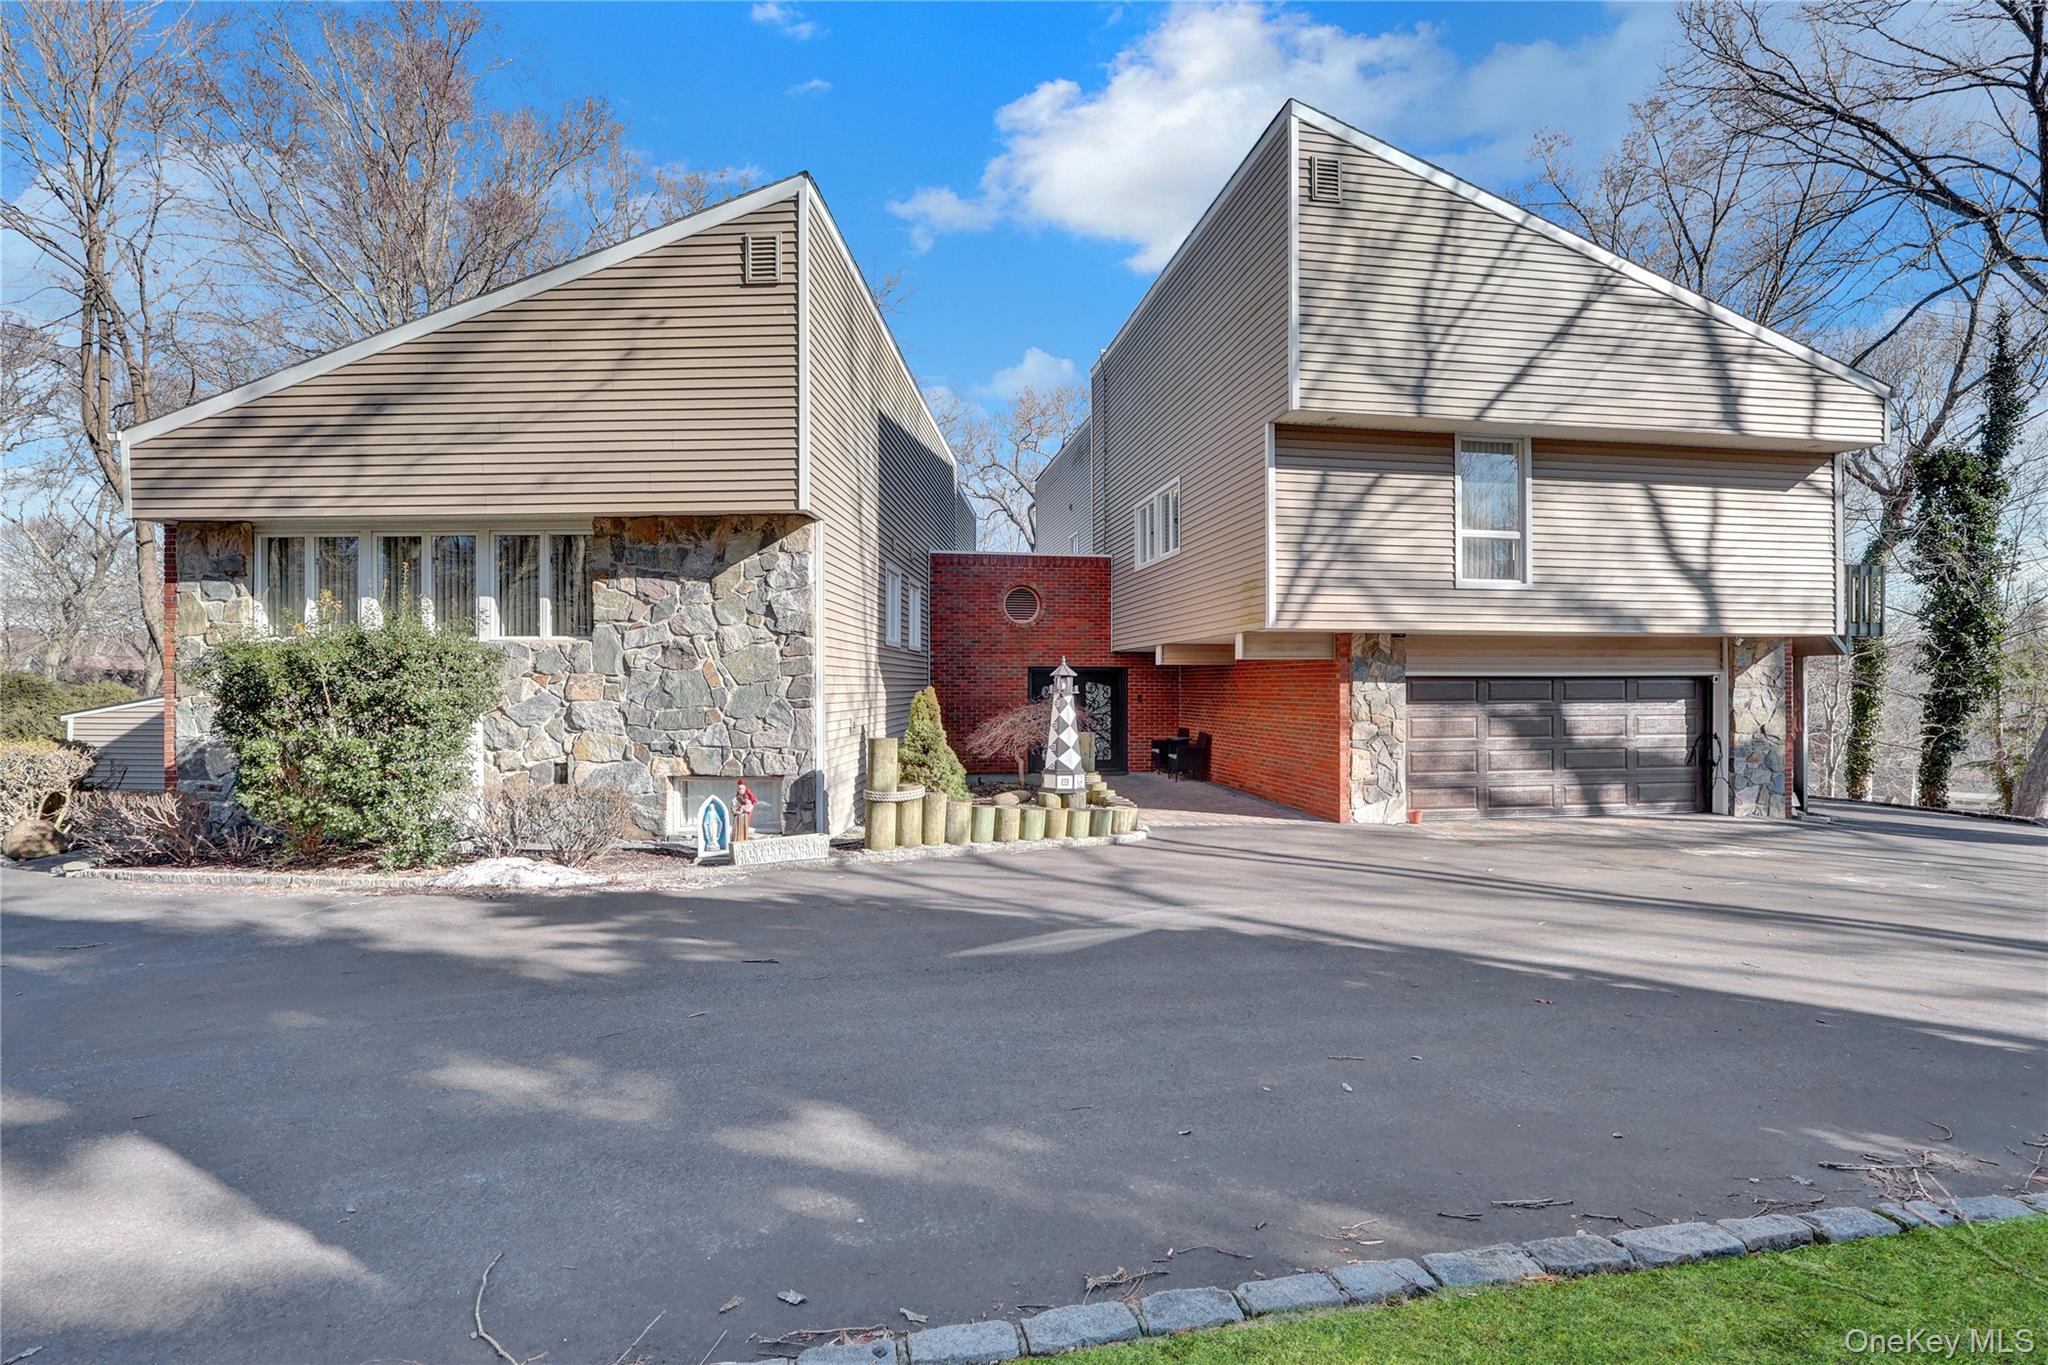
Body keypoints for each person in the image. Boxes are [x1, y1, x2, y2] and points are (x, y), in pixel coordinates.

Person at [734, 777, 757, 843]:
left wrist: (742, 808)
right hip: (744, 810)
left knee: (745, 822)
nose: (740, 791)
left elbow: (748, 804)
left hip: (747, 809)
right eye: (739, 790)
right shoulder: (739, 797)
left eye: (741, 790)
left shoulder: (746, 797)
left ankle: (744, 833)